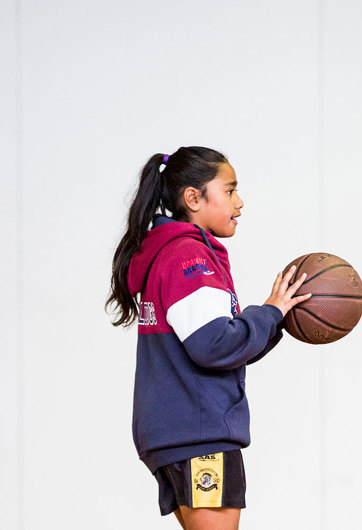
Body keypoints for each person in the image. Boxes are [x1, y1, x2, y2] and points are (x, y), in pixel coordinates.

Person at [105, 146, 311, 530]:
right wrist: (268, 312)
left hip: (176, 432)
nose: (240, 201)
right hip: (200, 436)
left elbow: (220, 345)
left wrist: (276, 320)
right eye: (230, 190)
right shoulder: (189, 257)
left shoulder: (169, 253)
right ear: (193, 198)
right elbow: (214, 345)